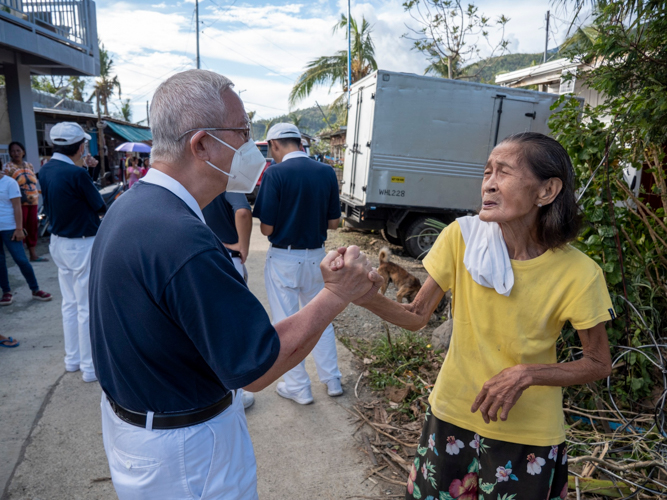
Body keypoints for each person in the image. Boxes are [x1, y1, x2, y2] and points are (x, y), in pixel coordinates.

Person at [88, 69, 381, 499]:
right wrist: (337, 294)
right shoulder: (183, 239)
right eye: (242, 132)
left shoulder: (132, 206)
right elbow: (257, 365)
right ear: (202, 143)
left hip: (142, 425)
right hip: (188, 453)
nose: (251, 147)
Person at [346, 132, 614, 500]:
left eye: (503, 172)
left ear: (547, 191)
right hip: (452, 414)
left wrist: (527, 373)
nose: (488, 183)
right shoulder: (463, 238)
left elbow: (598, 363)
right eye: (486, 172)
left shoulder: (580, 274)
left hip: (527, 435)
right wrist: (365, 296)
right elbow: (417, 315)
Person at [253, 123, 344, 405]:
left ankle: (299, 387)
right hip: (317, 255)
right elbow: (334, 222)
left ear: (275, 144)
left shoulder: (275, 174)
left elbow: (266, 229)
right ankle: (332, 380)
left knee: (286, 322)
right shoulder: (326, 172)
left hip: (284, 257)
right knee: (321, 319)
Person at [38, 122, 106, 383]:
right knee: (86, 307)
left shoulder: (45, 170)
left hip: (58, 242)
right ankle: (89, 368)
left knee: (69, 304)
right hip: (82, 243)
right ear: (79, 147)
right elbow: (98, 204)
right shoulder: (77, 174)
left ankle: (73, 360)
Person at [203, 191, 254, 408]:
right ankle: (236, 393)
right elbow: (242, 211)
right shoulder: (228, 179)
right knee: (233, 327)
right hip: (227, 257)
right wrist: (244, 246)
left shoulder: (188, 180)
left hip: (200, 256)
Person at [0, 171, 51, 306]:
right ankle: (6, 292)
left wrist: (18, 228)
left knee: (21, 260)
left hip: (10, 228)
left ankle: (35, 290)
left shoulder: (9, 183)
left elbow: (17, 206)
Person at [2, 141, 45, 262]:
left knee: (32, 227)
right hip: (18, 203)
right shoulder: (7, 167)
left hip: (33, 201)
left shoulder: (29, 165)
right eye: (13, 151)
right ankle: (21, 258)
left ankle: (33, 255)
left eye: (18, 151)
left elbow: (34, 181)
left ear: (23, 152)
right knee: (20, 228)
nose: (15, 153)